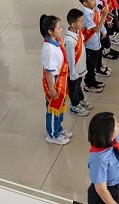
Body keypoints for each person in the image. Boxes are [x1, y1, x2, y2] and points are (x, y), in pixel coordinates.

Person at [87, 112, 119, 204]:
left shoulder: (117, 138)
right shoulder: (99, 159)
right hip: (109, 194)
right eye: (116, 125)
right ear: (108, 133)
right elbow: (101, 190)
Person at [40, 14, 71, 145]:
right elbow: (48, 72)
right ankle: (52, 135)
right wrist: (52, 89)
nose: (61, 30)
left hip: (60, 78)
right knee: (53, 108)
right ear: (50, 31)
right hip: (54, 81)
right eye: (58, 28)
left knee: (60, 106)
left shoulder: (56, 41)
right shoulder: (49, 50)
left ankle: (58, 128)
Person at [64, 8, 92, 117]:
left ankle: (80, 100)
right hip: (74, 70)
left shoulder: (78, 32)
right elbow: (70, 58)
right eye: (81, 21)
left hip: (80, 67)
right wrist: (73, 72)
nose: (83, 23)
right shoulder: (69, 41)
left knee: (78, 85)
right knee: (73, 88)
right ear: (73, 24)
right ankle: (74, 105)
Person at [79, 0, 108, 92]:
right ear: (85, 3)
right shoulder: (86, 15)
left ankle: (93, 80)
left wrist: (104, 31)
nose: (94, 1)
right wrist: (104, 16)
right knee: (90, 65)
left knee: (95, 62)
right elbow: (95, 28)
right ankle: (89, 84)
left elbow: (98, 21)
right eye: (91, 0)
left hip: (96, 42)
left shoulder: (93, 9)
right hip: (90, 44)